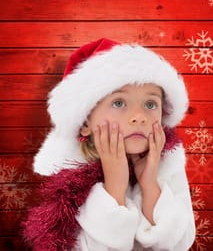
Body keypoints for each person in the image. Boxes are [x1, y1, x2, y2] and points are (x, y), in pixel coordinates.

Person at [23, 38, 196, 251]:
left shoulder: (168, 163)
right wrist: (115, 187)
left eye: (150, 104)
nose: (139, 116)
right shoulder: (72, 183)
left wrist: (150, 184)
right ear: (85, 122)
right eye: (119, 103)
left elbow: (180, 243)